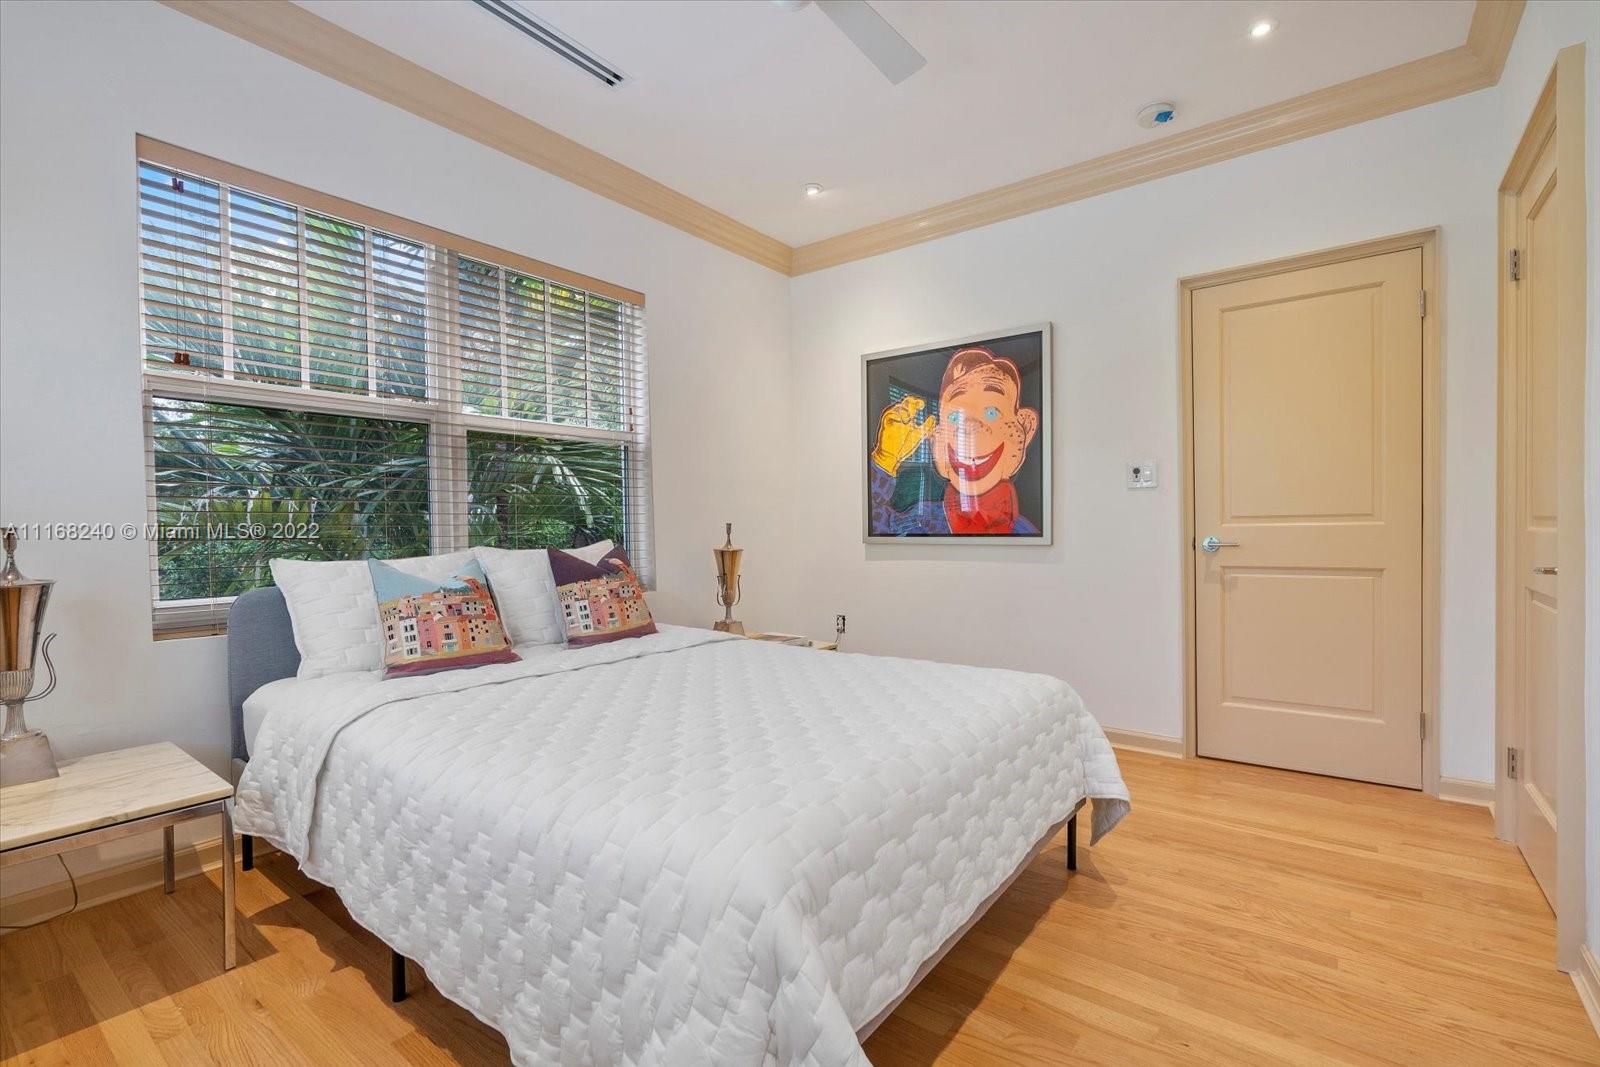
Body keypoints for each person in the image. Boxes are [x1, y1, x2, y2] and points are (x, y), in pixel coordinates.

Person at [868, 346, 1040, 536]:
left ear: (1025, 427)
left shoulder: (1027, 535)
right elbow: (871, 526)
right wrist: (885, 459)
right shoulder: (922, 521)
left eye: (992, 412)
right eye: (954, 417)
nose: (968, 427)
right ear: (937, 439)